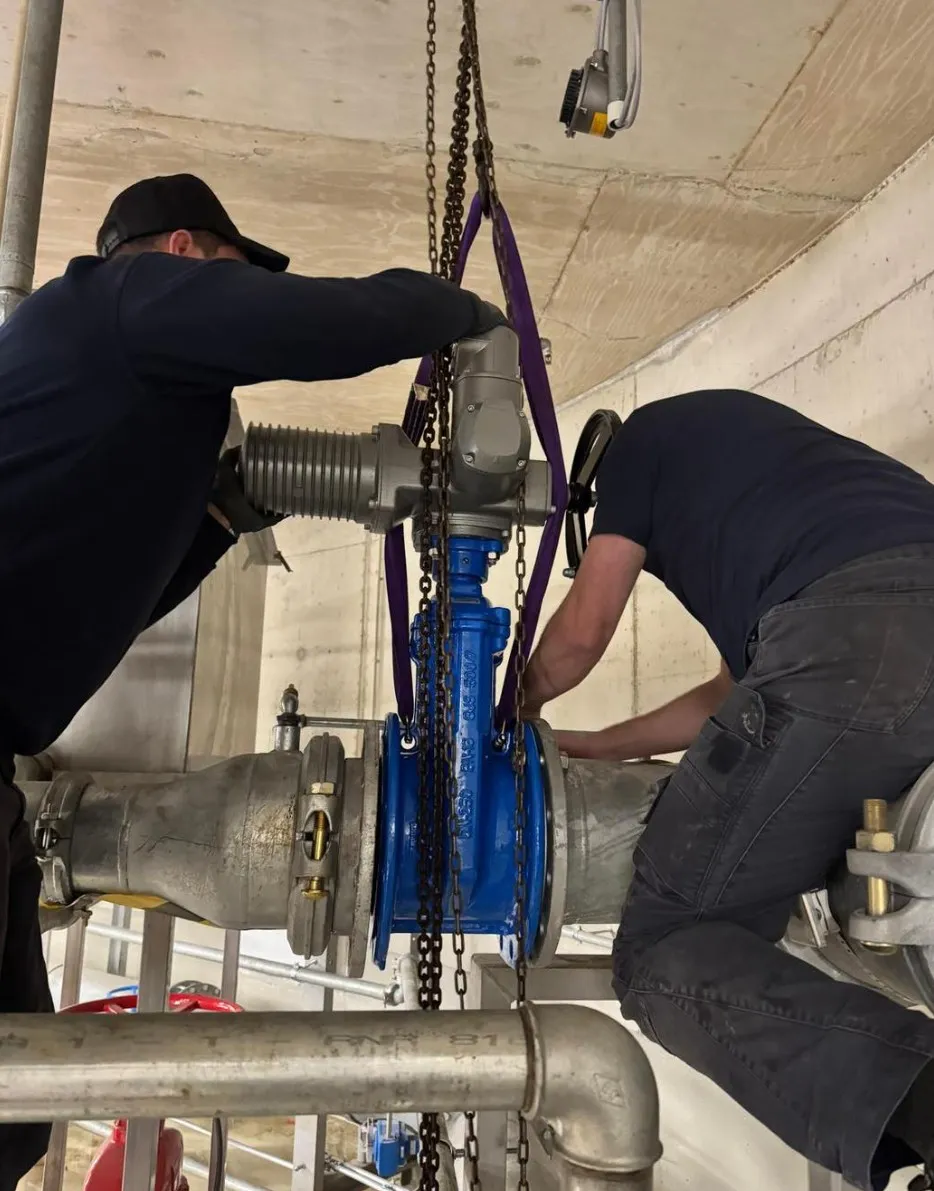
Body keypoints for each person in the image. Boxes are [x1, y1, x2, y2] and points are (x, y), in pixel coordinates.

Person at [0, 172, 505, 1190]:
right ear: (184, 249)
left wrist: (219, 522)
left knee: (16, 1120)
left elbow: (107, 587)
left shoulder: (108, 372)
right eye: (232, 270)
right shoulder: (122, 300)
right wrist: (467, 319)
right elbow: (317, 323)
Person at [522, 388, 934, 1191]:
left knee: (665, 943)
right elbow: (729, 693)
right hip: (877, 625)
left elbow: (582, 630)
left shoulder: (638, 447)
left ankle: (918, 1103)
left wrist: (514, 709)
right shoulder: (754, 467)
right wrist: (602, 745)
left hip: (857, 640)